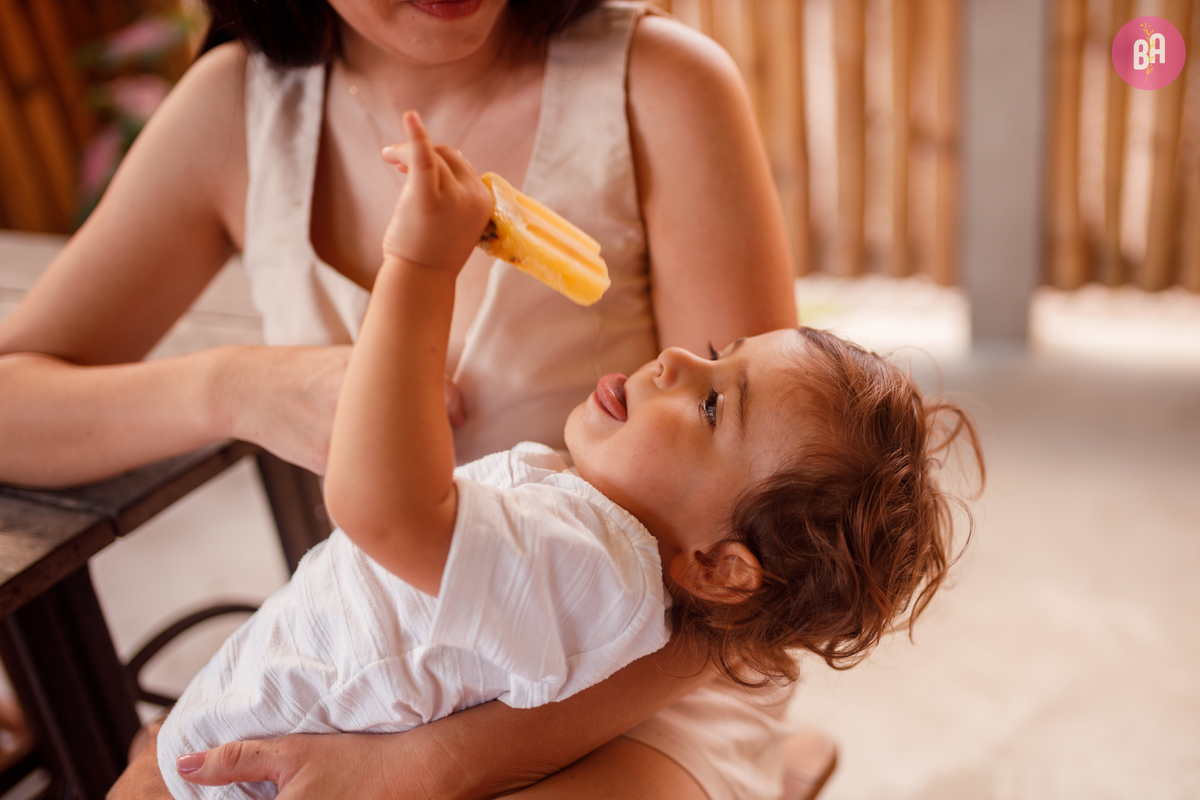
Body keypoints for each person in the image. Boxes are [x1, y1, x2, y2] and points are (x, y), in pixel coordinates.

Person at [1, 0, 803, 797]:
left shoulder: (658, 85)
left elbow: (761, 574)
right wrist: (235, 388)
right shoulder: (235, 110)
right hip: (397, 665)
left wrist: (432, 765)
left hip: (650, 676)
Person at [156, 114, 982, 800]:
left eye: (711, 405)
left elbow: (384, 510)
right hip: (249, 721)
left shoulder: (588, 565)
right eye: (714, 353)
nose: (674, 360)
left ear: (719, 567)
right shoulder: (599, 538)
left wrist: (421, 267)